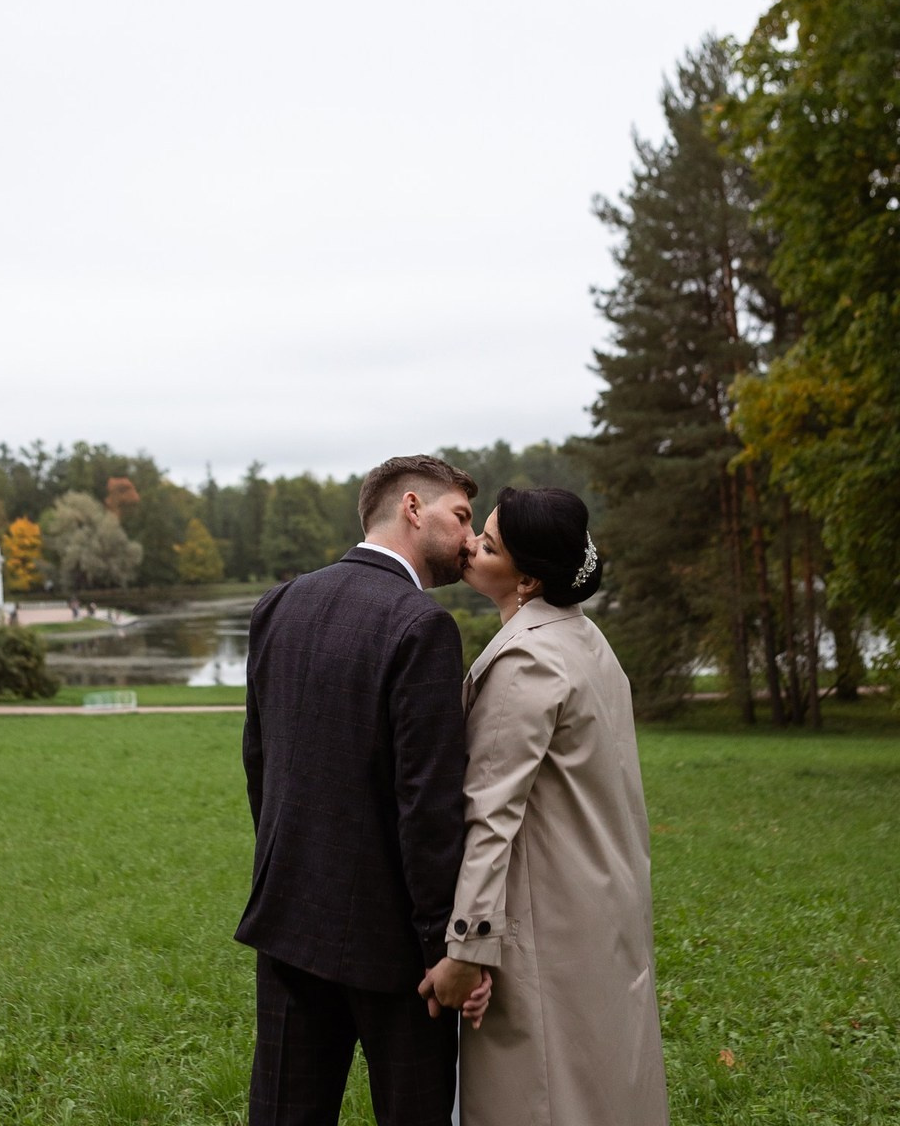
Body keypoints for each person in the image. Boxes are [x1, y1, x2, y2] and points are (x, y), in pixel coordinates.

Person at [235, 454, 488, 1126]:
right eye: (462, 517)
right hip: (395, 952)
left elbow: (261, 765)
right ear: (413, 507)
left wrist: (282, 873)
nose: (470, 539)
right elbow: (428, 806)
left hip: (287, 921)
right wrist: (446, 952)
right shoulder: (422, 625)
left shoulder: (279, 604)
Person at [420, 487, 670, 1126]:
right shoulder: (586, 639)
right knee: (603, 1084)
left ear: (528, 580)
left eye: (488, 544)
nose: (469, 545)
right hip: (604, 906)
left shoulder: (528, 659)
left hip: (551, 921)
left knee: (547, 1096)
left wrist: (466, 950)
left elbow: (491, 816)